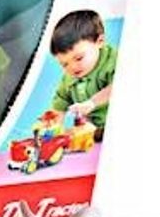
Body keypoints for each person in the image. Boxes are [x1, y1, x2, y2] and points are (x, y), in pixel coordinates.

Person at [49, 10, 118, 141]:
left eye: (79, 58)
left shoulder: (113, 61)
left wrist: (92, 103)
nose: (72, 67)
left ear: (99, 41)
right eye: (64, 64)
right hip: (94, 129)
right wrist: (53, 129)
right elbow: (60, 104)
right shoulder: (69, 78)